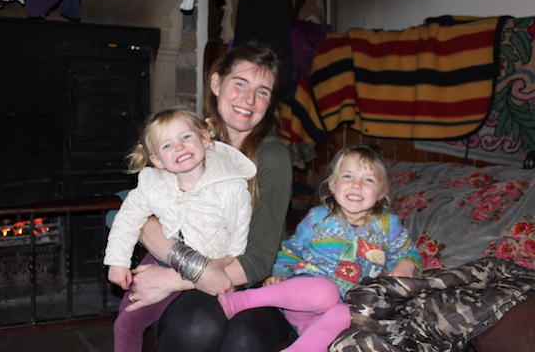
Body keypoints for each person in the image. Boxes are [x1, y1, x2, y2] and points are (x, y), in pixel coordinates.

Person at [125, 42, 296, 352]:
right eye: (240, 84)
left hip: (255, 282)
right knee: (197, 325)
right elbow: (132, 208)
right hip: (192, 273)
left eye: (262, 92)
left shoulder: (272, 156)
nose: (249, 99)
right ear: (216, 83)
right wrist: (189, 267)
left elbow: (259, 259)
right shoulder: (187, 142)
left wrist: (175, 279)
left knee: (242, 338)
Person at [217, 144, 424, 352]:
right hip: (302, 299)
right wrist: (280, 273)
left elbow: (409, 253)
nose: (357, 185)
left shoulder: (388, 225)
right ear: (333, 185)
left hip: (333, 315)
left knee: (345, 313)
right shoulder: (317, 218)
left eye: (368, 180)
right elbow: (291, 249)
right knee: (326, 292)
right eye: (348, 177)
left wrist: (406, 264)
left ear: (382, 191)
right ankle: (242, 300)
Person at [104, 107, 258, 352]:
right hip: (160, 262)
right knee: (126, 323)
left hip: (212, 265)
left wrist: (228, 267)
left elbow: (239, 228)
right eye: (167, 145)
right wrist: (118, 260)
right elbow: (127, 218)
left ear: (204, 138)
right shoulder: (153, 184)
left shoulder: (231, 186)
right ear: (156, 161)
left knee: (208, 329)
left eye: (185, 137)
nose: (179, 147)